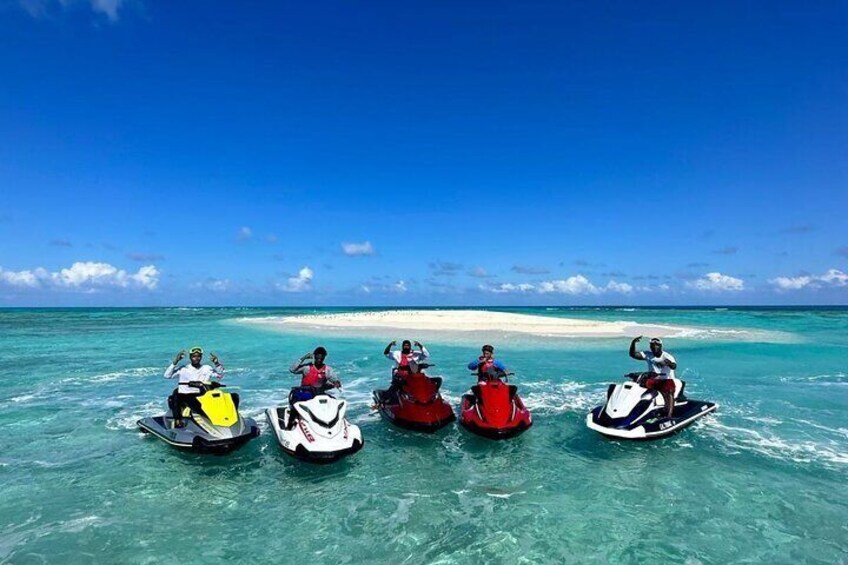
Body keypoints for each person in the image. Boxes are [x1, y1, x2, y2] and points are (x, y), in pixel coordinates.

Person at [163, 346, 223, 427]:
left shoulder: (206, 368)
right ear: (190, 357)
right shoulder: (184, 368)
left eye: (198, 356)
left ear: (201, 357)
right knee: (176, 394)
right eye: (194, 356)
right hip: (185, 394)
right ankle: (178, 420)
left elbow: (220, 375)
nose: (196, 358)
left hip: (201, 394)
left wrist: (216, 363)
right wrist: (175, 361)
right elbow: (167, 375)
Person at [629, 336, 678, 418]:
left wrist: (669, 363)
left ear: (661, 346)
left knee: (669, 391)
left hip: (666, 380)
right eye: (652, 345)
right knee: (637, 385)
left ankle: (669, 415)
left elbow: (674, 366)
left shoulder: (667, 356)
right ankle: (636, 410)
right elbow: (633, 354)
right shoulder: (648, 355)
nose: (654, 347)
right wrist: (633, 343)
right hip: (653, 380)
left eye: (657, 345)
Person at [378, 340, 430, 404]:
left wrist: (419, 345)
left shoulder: (415, 354)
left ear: (410, 346)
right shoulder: (397, 353)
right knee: (396, 386)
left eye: (408, 345)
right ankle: (382, 401)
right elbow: (386, 353)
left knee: (426, 383)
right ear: (402, 346)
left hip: (413, 376)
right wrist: (390, 345)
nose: (406, 347)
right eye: (405, 345)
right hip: (400, 376)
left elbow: (426, 355)